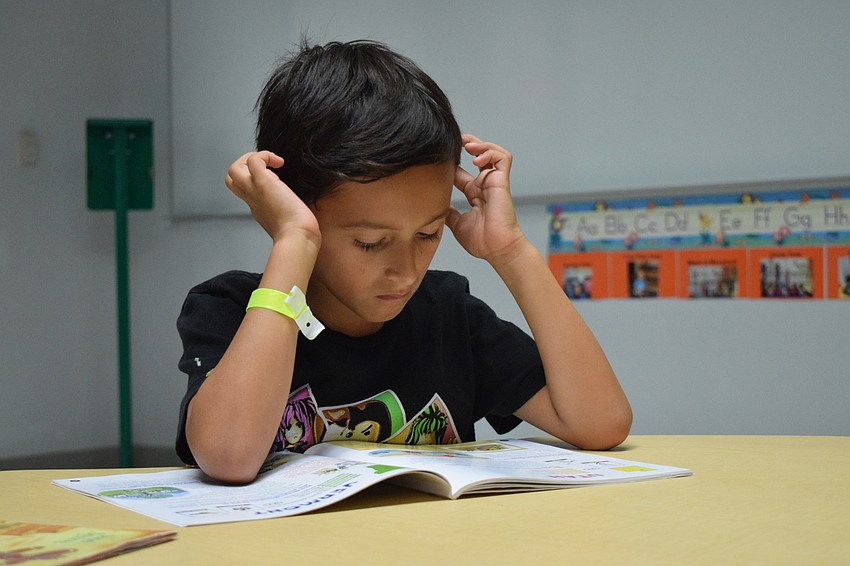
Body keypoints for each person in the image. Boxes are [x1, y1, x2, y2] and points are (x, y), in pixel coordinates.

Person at [176, 39, 632, 483]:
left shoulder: (448, 314)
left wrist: (512, 253)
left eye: (428, 234)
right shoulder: (230, 309)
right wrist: (293, 239)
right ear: (289, 203)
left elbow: (601, 424)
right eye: (371, 243)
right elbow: (229, 457)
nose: (407, 270)